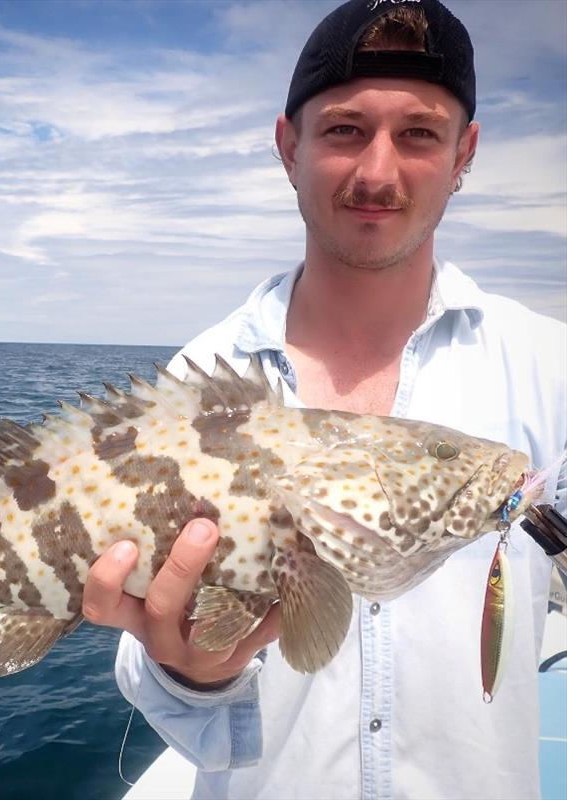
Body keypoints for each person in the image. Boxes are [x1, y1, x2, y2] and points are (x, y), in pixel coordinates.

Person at [82, 1, 567, 797]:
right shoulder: (200, 373)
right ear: (289, 146)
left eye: (418, 133)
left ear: (464, 152)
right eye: (345, 129)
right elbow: (153, 675)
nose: (378, 172)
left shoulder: (550, 365)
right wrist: (194, 671)